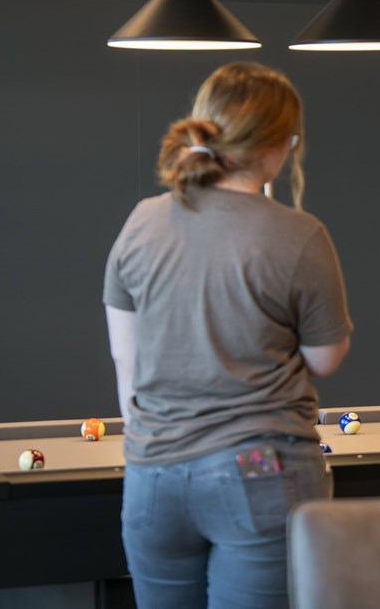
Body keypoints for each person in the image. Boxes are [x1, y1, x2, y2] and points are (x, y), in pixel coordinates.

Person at [103, 62, 354, 609]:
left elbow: (126, 359)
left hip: (152, 477)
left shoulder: (141, 221)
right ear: (275, 146)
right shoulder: (298, 233)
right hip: (258, 470)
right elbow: (326, 357)